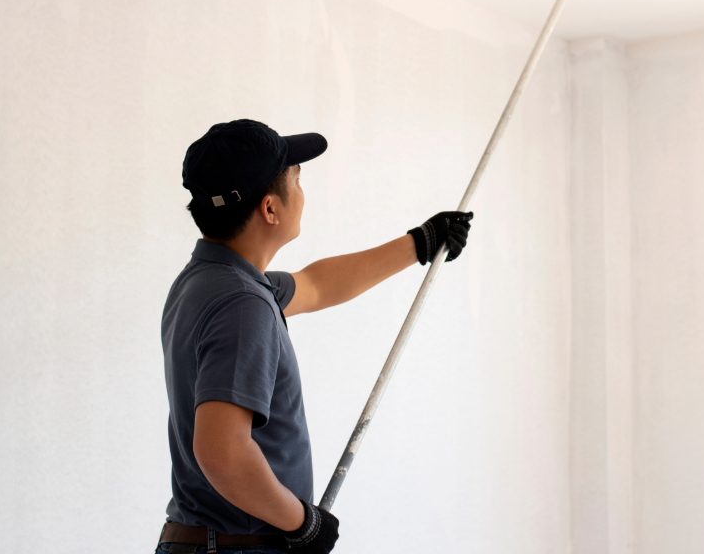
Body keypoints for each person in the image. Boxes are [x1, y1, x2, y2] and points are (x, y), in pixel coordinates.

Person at [156, 119, 474, 554]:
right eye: (297, 181)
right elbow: (222, 453)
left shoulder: (211, 280)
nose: (303, 193)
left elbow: (316, 285)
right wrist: (302, 523)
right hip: (237, 547)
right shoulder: (242, 304)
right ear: (271, 209)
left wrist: (420, 242)